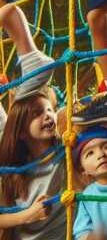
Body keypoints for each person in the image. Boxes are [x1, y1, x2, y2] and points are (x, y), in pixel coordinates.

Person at [0, 91, 66, 239]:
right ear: (22, 132)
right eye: (37, 114)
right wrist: (28, 215)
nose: (48, 115)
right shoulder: (15, 171)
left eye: (50, 110)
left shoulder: (66, 152)